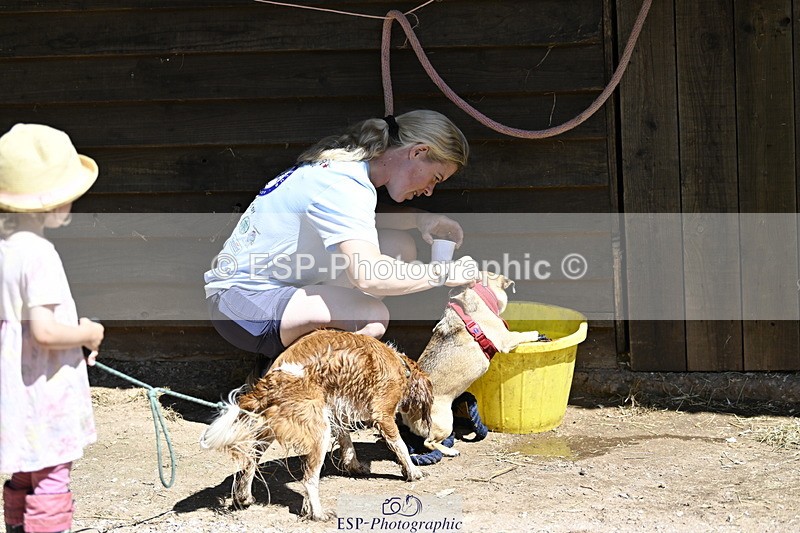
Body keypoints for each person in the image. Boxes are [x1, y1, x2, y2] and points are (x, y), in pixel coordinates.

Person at [205, 110, 480, 375]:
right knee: (369, 318)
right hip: (242, 304)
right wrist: (442, 272)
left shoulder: (346, 170)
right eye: (435, 178)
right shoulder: (345, 185)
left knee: (397, 247)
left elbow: (360, 220)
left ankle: (297, 362)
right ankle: (291, 383)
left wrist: (421, 219)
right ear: (418, 152)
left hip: (267, 292)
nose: (430, 190)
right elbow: (370, 277)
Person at [0, 124, 105, 533]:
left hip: (13, 385)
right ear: (52, 202)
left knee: (25, 467)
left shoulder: (5, 249)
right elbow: (44, 332)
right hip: (43, 389)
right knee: (51, 473)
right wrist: (87, 333)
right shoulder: (39, 254)